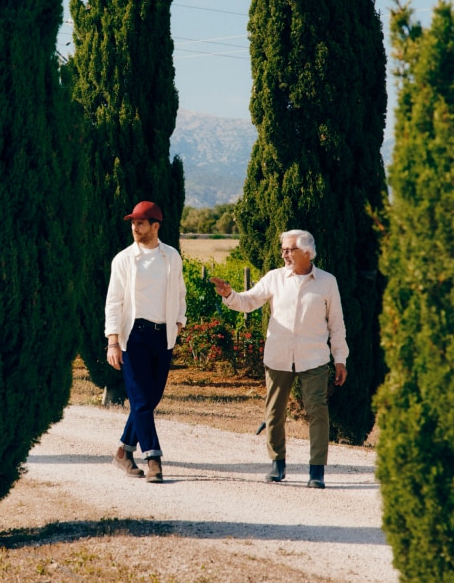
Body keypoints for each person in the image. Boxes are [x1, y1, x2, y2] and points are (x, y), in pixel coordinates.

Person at [211, 230, 347, 489]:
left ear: (307, 252)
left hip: (314, 358)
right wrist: (229, 294)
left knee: (317, 411)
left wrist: (340, 359)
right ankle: (277, 464)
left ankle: (317, 470)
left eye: (290, 249)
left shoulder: (327, 282)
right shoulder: (274, 278)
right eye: (283, 249)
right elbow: (249, 301)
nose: (284, 254)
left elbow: (337, 325)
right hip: (278, 356)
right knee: (274, 412)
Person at [105, 201, 187, 483]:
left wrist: (179, 321)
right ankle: (153, 458)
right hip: (133, 336)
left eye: (140, 223)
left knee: (150, 400)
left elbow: (180, 292)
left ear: (155, 226)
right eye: (132, 223)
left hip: (163, 336)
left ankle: (123, 452)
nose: (135, 227)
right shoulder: (123, 259)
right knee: (140, 400)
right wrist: (113, 342)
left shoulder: (171, 256)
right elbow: (113, 302)